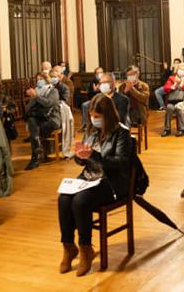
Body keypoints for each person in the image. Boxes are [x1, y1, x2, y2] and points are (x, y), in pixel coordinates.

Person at [58, 94, 132, 276]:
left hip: (111, 181)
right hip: (89, 177)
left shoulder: (121, 132)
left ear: (107, 115)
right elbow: (84, 161)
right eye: (92, 115)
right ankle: (68, 247)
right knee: (64, 199)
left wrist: (94, 156)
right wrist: (79, 155)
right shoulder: (91, 132)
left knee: (80, 201)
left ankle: (85, 249)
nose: (94, 119)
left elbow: (121, 163)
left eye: (97, 116)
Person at [24, 71, 62, 170]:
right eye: (37, 80)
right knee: (31, 119)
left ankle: (35, 158)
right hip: (39, 119)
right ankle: (37, 148)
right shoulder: (36, 91)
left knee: (34, 131)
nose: (39, 81)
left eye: (41, 79)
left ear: (46, 80)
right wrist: (32, 99)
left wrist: (36, 96)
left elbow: (48, 103)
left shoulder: (53, 91)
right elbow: (28, 108)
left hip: (52, 119)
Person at [161, 62, 184, 137]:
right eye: (180, 69)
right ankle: (167, 129)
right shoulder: (171, 78)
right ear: (177, 70)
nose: (181, 71)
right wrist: (174, 85)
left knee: (179, 107)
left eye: (183, 69)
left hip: (183, 100)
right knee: (169, 108)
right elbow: (165, 88)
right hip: (172, 100)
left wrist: (182, 85)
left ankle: (182, 129)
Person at [79, 67, 104, 131]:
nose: (99, 74)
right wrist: (94, 90)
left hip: (103, 100)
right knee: (84, 105)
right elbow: (89, 94)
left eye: (101, 72)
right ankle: (85, 125)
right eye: (97, 73)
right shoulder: (93, 81)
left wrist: (100, 89)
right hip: (93, 100)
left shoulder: (105, 81)